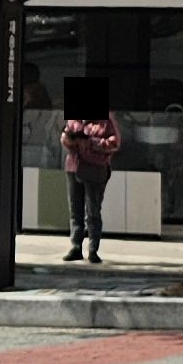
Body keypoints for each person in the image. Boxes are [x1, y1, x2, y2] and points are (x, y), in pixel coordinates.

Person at [61, 86, 122, 266]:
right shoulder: (75, 119)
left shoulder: (106, 119)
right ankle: (75, 246)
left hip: (95, 169)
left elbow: (114, 143)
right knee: (75, 210)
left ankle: (93, 249)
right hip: (74, 167)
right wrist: (69, 139)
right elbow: (65, 138)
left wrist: (91, 142)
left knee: (93, 211)